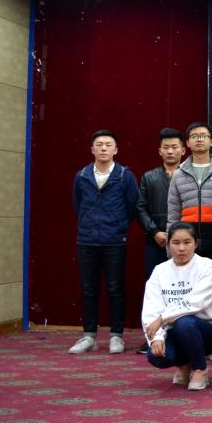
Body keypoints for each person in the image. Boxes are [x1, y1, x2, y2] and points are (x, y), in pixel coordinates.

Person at [70, 129, 139, 355]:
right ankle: (89, 336)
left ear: (115, 150)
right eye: (99, 144)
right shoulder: (82, 176)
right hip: (87, 240)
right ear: (92, 149)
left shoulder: (124, 176)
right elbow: (77, 205)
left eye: (108, 145)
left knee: (115, 288)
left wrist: (117, 224)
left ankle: (116, 335)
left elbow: (132, 206)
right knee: (88, 289)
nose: (103, 148)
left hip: (114, 241)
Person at [141, 222, 212, 390]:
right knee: (156, 356)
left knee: (185, 322)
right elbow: (151, 307)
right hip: (173, 330)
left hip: (208, 329)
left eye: (187, 242)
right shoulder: (159, 271)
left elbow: (197, 302)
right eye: (176, 243)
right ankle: (184, 364)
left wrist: (163, 318)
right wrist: (157, 337)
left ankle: (200, 370)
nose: (181, 248)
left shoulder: (206, 265)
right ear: (168, 244)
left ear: (196, 243)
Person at [167, 121, 212, 310]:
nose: (199, 140)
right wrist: (170, 248)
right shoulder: (179, 174)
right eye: (194, 136)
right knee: (189, 287)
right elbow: (173, 214)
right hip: (187, 241)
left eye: (203, 136)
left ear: (211, 141)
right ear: (187, 143)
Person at [135, 127, 184, 352]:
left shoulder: (188, 175)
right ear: (160, 151)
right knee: (156, 289)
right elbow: (140, 207)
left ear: (183, 150)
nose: (170, 151)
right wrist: (154, 231)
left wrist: (178, 235)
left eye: (174, 147)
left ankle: (180, 335)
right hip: (155, 241)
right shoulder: (149, 177)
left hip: (183, 242)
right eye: (166, 148)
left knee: (182, 288)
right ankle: (153, 336)